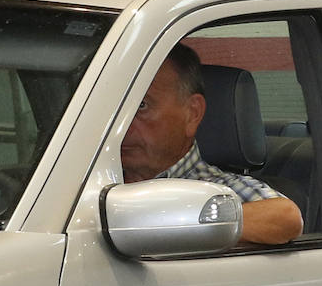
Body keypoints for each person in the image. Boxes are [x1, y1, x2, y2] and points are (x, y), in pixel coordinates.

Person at [121, 43, 303, 244]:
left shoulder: (218, 189)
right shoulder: (91, 181)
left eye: (141, 105)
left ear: (193, 113)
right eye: (115, 108)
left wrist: (172, 222)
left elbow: (286, 217)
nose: (121, 125)